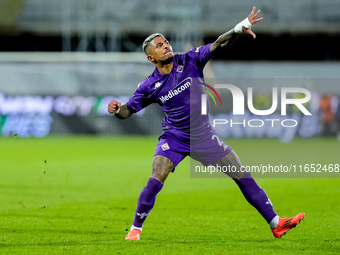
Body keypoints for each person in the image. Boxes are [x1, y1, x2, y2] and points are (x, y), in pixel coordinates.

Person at [108, 7, 305, 241]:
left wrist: (238, 28)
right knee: (157, 174)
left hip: (204, 136)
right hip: (175, 137)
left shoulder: (190, 60)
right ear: (151, 58)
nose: (166, 46)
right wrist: (118, 110)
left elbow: (218, 44)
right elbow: (128, 111)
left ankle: (276, 223)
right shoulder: (148, 86)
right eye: (159, 46)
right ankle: (135, 229)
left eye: (166, 42)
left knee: (241, 173)